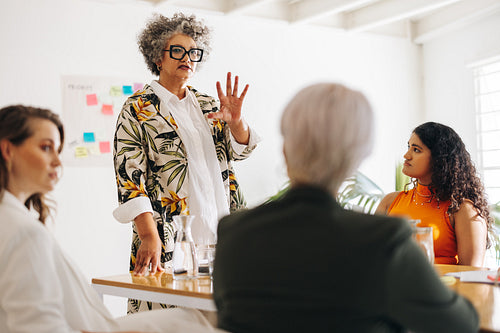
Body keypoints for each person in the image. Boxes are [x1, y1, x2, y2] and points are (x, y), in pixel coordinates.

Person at [213, 84, 479, 333]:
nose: (407, 155)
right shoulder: (384, 238)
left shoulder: (232, 231)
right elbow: (460, 324)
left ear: (285, 148)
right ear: (357, 159)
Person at [0, 105, 225, 333]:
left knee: (195, 319)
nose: (58, 162)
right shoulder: (24, 235)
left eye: (58, 150)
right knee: (203, 321)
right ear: (8, 150)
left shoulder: (12, 220)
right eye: (46, 148)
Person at [112, 13, 258, 311]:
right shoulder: (137, 108)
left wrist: (237, 122)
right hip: (170, 234)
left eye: (193, 52)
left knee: (215, 318)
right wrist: (147, 234)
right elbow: (129, 175)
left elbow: (239, 151)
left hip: (221, 232)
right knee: (166, 319)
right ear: (157, 57)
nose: (187, 57)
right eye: (177, 50)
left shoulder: (209, 104)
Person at [376, 122, 491, 266]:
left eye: (416, 150)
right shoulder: (389, 201)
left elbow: (471, 275)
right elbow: (372, 254)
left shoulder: (463, 209)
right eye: (409, 147)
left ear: (439, 159)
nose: (406, 155)